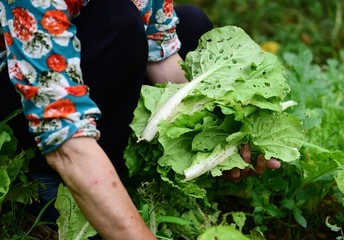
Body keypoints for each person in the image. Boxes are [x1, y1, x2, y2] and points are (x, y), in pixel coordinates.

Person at [0, 0, 280, 239]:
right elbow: (64, 137)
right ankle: (42, 186)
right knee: (118, 21)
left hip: (79, 64)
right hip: (22, 92)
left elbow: (161, 56)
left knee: (191, 25)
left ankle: (115, 176)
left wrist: (224, 137)